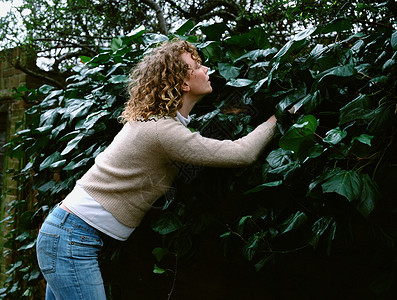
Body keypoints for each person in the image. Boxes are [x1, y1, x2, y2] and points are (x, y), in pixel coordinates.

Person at [36, 39, 279, 300]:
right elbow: (242, 153)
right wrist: (276, 118)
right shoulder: (163, 131)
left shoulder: (159, 123)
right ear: (184, 83)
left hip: (66, 235)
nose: (206, 69)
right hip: (72, 240)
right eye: (196, 66)